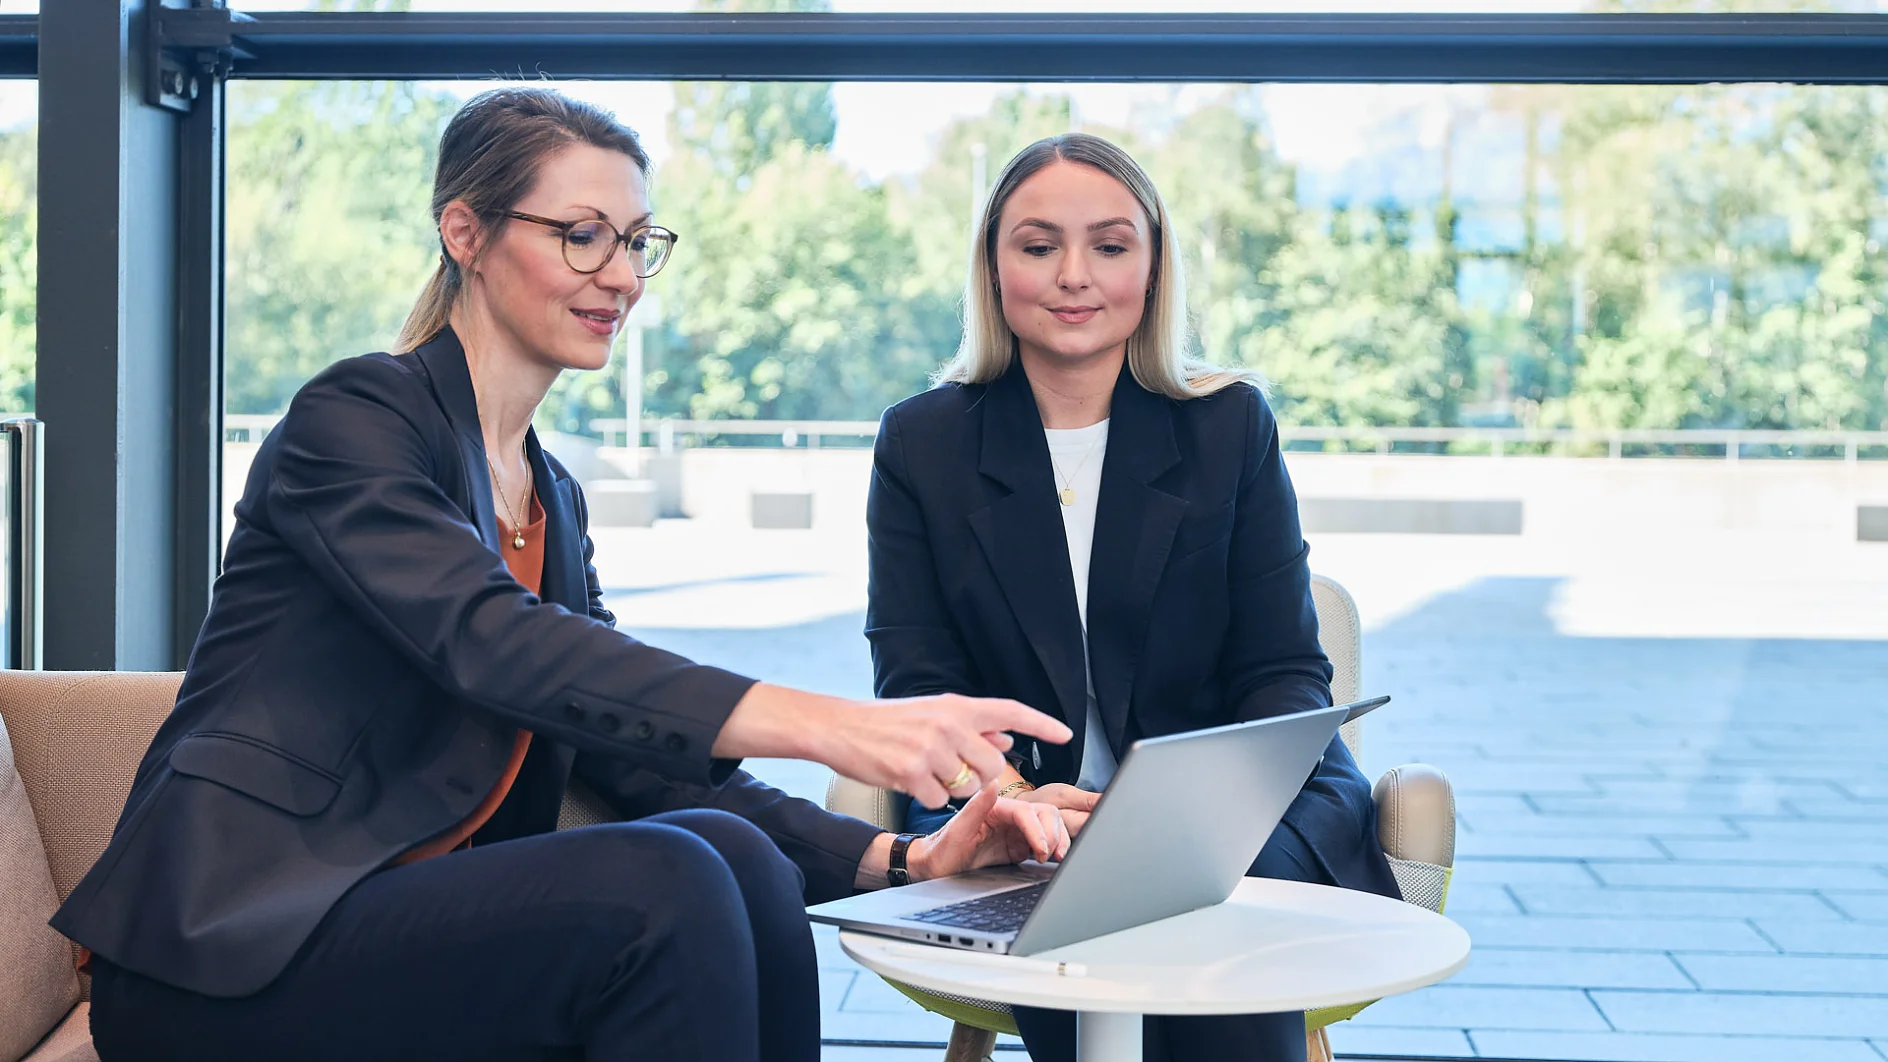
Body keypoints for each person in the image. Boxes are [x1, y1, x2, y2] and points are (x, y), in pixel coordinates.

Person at [50, 88, 1079, 1062]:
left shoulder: (549, 495)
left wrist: (902, 862)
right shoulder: (354, 420)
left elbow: (633, 755)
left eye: (638, 243)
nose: (623, 275)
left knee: (736, 850)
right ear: (466, 234)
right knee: (662, 876)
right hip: (231, 951)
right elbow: (496, 643)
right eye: (582, 235)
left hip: (415, 923)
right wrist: (842, 725)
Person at [864, 133, 1403, 1062]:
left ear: (1152, 271)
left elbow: (1282, 670)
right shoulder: (922, 443)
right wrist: (1017, 804)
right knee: (1075, 900)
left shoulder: (1228, 423)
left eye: (1111, 246)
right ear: (994, 270)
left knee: (1203, 910)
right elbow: (921, 686)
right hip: (1012, 803)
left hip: (1231, 810)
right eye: (1038, 246)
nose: (1075, 275)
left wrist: (1188, 815)